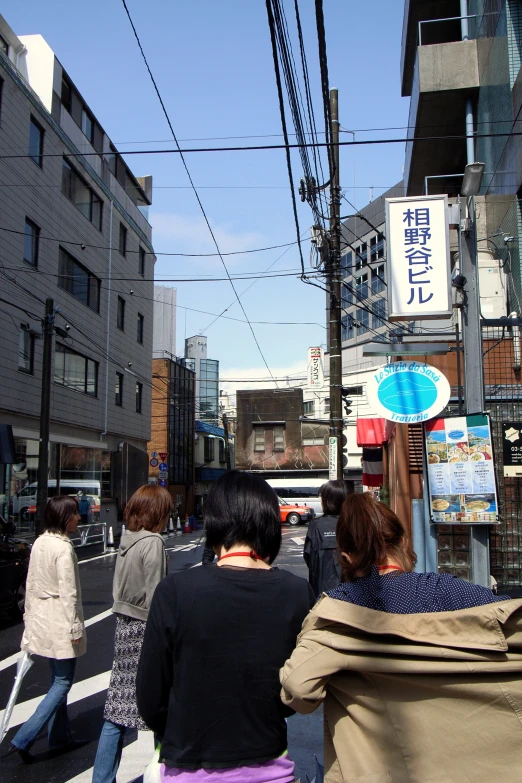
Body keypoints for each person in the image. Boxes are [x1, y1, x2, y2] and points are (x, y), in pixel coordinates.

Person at [281, 492, 522, 783]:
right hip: (483, 767)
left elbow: (299, 692)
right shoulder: (457, 593)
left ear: (345, 557)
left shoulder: (336, 612)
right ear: (404, 542)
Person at [136, 470, 314, 783]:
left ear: (214, 521)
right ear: (269, 522)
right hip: (269, 763)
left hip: (188, 765)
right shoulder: (297, 593)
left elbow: (150, 699)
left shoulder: (175, 591)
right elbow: (296, 693)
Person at [91, 484, 170, 783]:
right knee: (159, 706)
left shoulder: (129, 539)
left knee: (117, 710)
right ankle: (164, 774)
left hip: (124, 626)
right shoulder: (153, 543)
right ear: (157, 512)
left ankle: (102, 778)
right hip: (145, 629)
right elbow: (157, 596)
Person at [4, 496, 86, 763]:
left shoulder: (39, 542)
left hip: (42, 620)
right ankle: (24, 737)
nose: (79, 518)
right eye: (74, 514)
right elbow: (69, 593)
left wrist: (28, 619)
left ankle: (60, 737)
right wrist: (75, 627)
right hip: (61, 622)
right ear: (64, 517)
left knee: (56, 679)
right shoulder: (63, 549)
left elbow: (31, 584)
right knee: (63, 682)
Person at [303, 479, 352, 597]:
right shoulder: (353, 523)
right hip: (351, 593)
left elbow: (308, 556)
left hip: (322, 591)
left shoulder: (316, 525)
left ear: (328, 500)